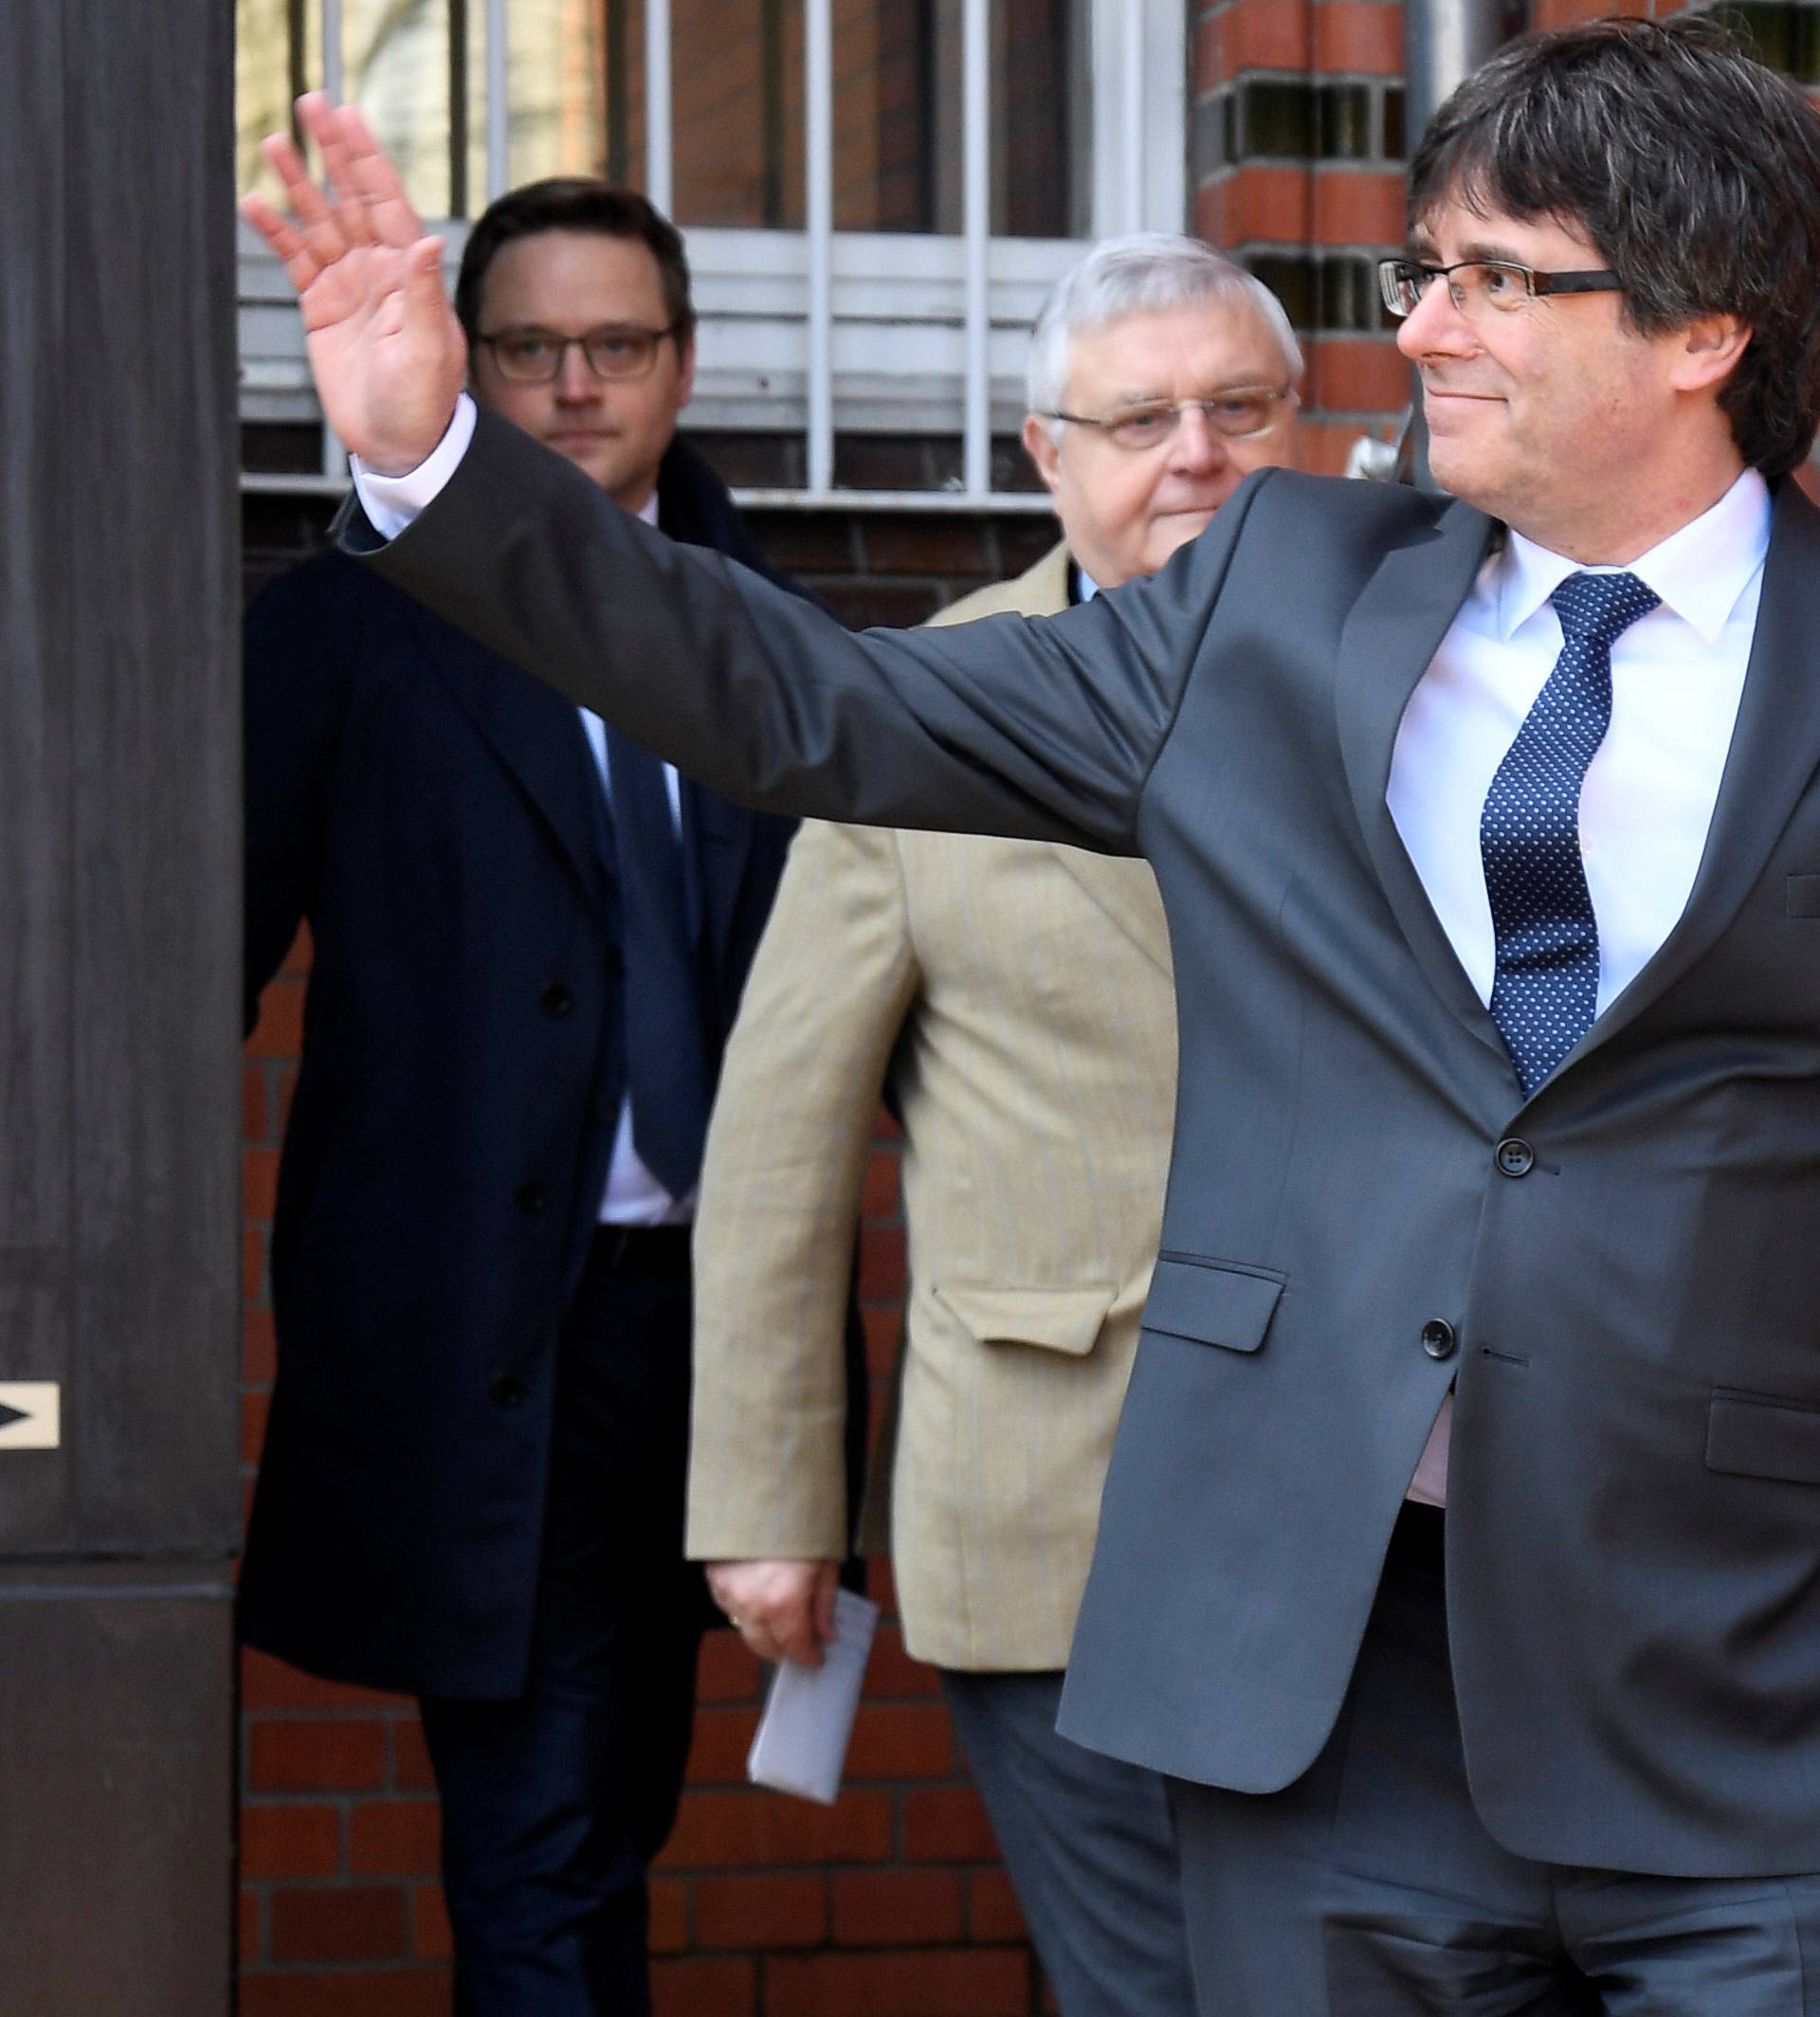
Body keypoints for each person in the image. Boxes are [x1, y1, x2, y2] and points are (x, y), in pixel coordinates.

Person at [248, 17, 1820, 2010]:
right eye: (1423, 269)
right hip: (1328, 1692)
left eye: (1502, 280)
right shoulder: (1279, 596)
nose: (1424, 331)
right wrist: (432, 458)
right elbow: (825, 705)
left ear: (1704, 333)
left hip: (1744, 1695)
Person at [240, 177, 831, 2017]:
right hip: (492, 1338)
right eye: (530, 347)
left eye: (619, 344)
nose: (577, 385)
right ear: (467, 356)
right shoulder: (344, 623)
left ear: (683, 361)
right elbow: (206, 951)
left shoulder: (775, 632)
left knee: (607, 1810)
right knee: (538, 1832)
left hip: (711, 1334)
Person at [691, 233, 1300, 2017]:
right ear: (1048, 454)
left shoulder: (1430, 688)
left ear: (1303, 418)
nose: (1193, 452)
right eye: (1139, 417)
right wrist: (769, 1502)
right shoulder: (927, 711)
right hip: (1055, 1505)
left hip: (1360, 1520)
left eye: (1235, 407)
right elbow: (780, 1146)